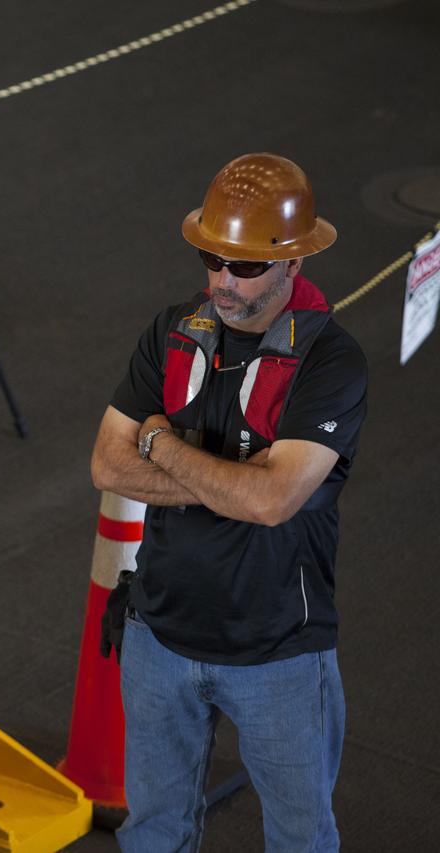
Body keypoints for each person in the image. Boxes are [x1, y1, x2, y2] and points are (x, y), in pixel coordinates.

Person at [91, 153, 368, 851]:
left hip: (279, 652)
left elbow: (274, 501)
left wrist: (161, 443)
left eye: (245, 266)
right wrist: (231, 480)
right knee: (153, 831)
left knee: (300, 838)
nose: (222, 280)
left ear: (293, 264)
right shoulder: (171, 331)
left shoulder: (331, 363)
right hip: (160, 635)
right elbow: (104, 462)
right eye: (213, 258)